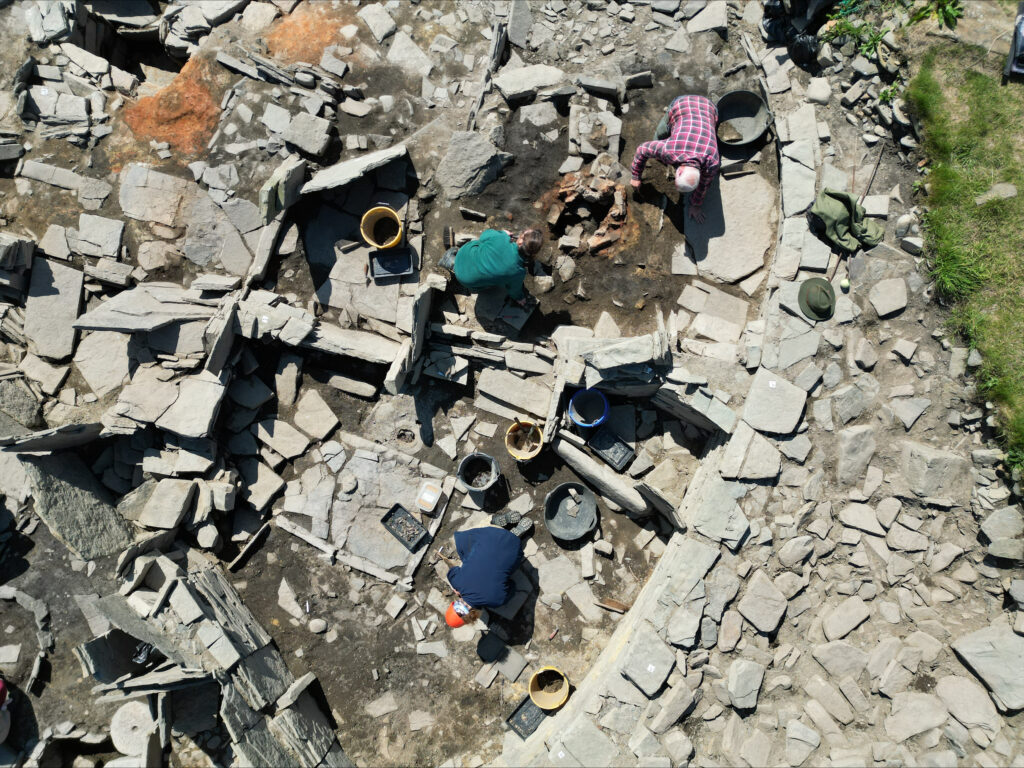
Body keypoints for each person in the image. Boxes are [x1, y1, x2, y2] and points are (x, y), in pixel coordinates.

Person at [629, 94, 721, 224]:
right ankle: (660, 135)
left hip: (710, 107)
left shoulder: (712, 162)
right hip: (682, 103)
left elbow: (704, 185)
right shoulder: (669, 150)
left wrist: (696, 205)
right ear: (680, 171)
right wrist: (635, 176)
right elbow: (642, 149)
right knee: (660, 134)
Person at [440, 526, 524, 628]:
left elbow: (512, 585)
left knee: (504, 573)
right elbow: (453, 571)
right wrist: (458, 587)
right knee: (461, 542)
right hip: (493, 534)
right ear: (454, 603)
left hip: (515, 546)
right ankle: (499, 526)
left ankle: (513, 535)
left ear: (472, 617)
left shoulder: (496, 601)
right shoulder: (456, 581)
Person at [438, 229, 543, 305]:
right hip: (467, 281)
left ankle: (452, 261)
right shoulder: (519, 272)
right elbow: (514, 289)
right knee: (497, 283)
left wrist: (502, 233)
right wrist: (519, 298)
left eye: (522, 233)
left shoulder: (501, 238)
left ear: (520, 241)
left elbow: (484, 235)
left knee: (480, 243)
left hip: (464, 253)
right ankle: (452, 264)